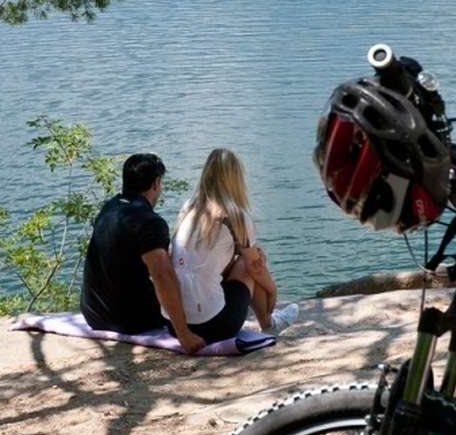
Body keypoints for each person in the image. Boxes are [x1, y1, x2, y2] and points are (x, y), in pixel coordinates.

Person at [168, 148, 300, 350]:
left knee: (246, 255)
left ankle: (267, 320)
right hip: (213, 326)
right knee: (250, 262)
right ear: (235, 179)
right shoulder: (235, 216)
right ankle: (269, 323)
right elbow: (255, 267)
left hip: (175, 324)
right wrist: (273, 290)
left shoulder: (189, 208)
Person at [80, 152, 187, 338]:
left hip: (94, 315)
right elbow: (162, 275)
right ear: (155, 183)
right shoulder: (150, 222)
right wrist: (183, 333)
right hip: (131, 321)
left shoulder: (109, 207)